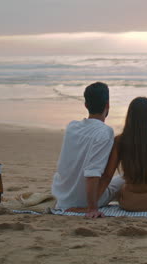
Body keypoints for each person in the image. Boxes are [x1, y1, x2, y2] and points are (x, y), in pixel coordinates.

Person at [51, 82, 124, 218]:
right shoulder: (105, 132)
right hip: (85, 201)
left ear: (86, 105)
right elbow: (93, 173)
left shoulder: (72, 127)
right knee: (125, 178)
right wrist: (91, 208)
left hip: (62, 197)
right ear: (107, 105)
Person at [97, 97, 147, 212]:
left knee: (121, 180)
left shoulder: (120, 141)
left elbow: (107, 176)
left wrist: (92, 203)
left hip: (129, 203)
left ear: (130, 117)